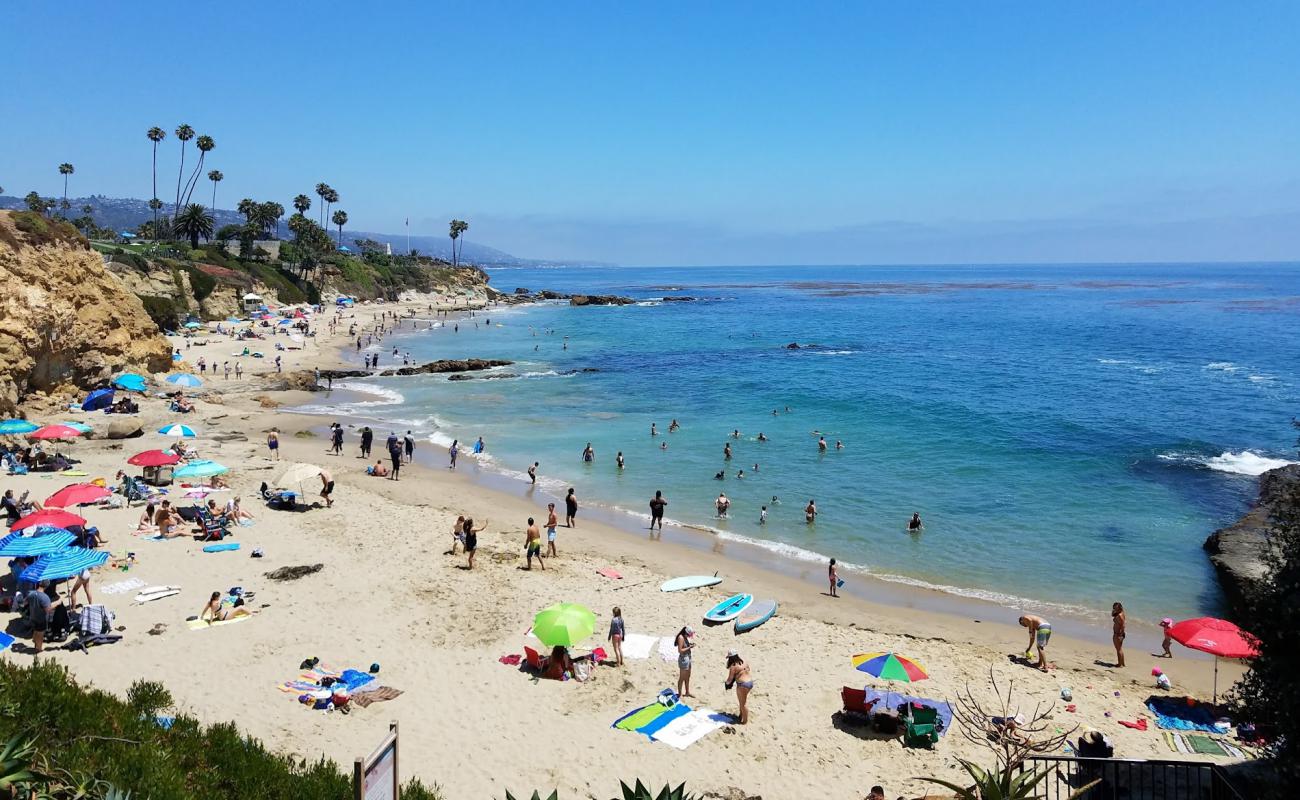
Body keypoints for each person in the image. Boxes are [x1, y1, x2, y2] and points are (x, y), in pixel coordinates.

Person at [724, 650, 754, 724]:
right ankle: (741, 716)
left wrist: (726, 684)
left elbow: (729, 679)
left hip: (742, 685)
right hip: (750, 683)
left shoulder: (733, 666)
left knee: (743, 704)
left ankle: (745, 721)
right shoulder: (744, 661)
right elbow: (748, 669)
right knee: (742, 701)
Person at [28, 580, 55, 653]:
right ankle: (38, 648)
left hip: (33, 616)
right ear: (47, 586)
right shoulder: (45, 597)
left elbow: (25, 602)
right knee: (40, 634)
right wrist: (58, 603)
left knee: (35, 629)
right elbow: (48, 609)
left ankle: (34, 639)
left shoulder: (31, 593)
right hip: (41, 619)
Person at [675, 626, 696, 697]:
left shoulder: (684, 636)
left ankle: (687, 692)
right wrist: (689, 647)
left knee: (688, 676)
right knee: (682, 678)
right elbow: (680, 650)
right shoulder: (681, 637)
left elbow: (684, 646)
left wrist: (689, 645)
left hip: (688, 658)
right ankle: (680, 694)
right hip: (683, 659)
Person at [1111, 602, 1127, 667]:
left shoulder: (1120, 615)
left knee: (1118, 649)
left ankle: (1119, 664)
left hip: (1118, 634)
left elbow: (1123, 625)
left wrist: (1120, 634)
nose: (1115, 609)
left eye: (1116, 608)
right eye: (1114, 608)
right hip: (1119, 634)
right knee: (1119, 648)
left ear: (1120, 608)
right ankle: (1122, 663)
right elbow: (1113, 615)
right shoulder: (1121, 613)